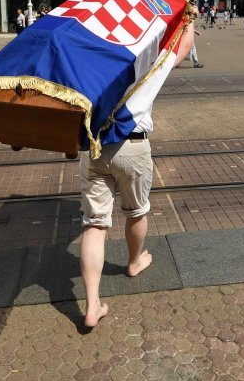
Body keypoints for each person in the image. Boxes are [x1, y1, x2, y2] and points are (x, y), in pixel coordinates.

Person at [80, 23, 196, 328]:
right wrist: (188, 15)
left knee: (95, 226)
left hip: (94, 147)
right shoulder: (148, 61)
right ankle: (134, 262)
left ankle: (92, 305)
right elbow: (183, 48)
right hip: (132, 147)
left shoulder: (92, 59)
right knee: (136, 211)